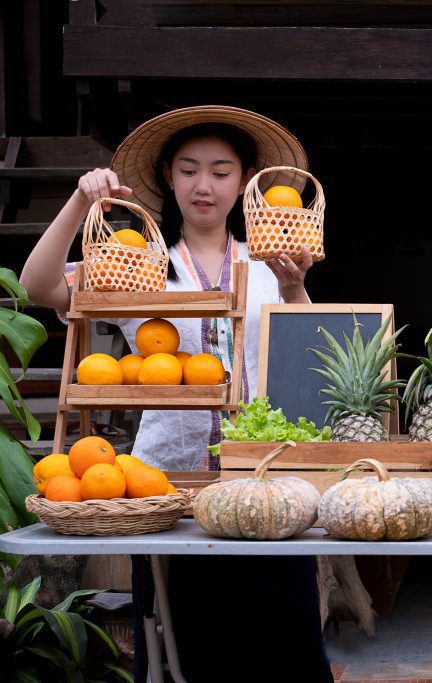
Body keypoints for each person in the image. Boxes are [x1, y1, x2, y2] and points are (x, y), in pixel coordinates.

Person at [20, 106, 334, 682]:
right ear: (169, 176)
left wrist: (295, 287)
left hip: (265, 487)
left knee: (288, 651)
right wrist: (80, 203)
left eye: (220, 171)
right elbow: (37, 285)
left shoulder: (270, 264)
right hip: (165, 493)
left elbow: (307, 360)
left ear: (245, 181)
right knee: (184, 653)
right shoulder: (136, 265)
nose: (203, 185)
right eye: (189, 170)